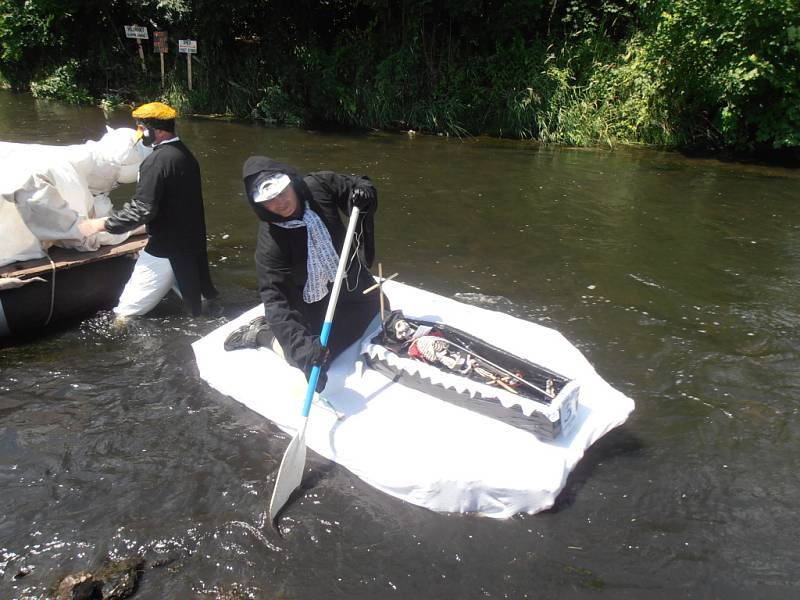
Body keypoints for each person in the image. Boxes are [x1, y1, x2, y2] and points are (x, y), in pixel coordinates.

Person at [224, 156, 382, 392]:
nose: (280, 203)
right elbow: (276, 299)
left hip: (348, 282)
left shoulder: (318, 185)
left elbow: (353, 186)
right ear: (260, 205)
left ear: (292, 183)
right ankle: (263, 334)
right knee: (318, 355)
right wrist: (301, 348)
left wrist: (362, 192)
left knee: (378, 308)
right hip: (311, 301)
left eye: (282, 192)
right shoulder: (270, 244)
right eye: (269, 200)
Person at [78, 101, 219, 317]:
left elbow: (142, 210)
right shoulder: (185, 156)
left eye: (142, 129)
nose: (140, 134)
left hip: (165, 248)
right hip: (192, 242)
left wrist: (99, 225)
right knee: (198, 301)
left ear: (157, 131)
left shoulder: (156, 162)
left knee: (126, 312)